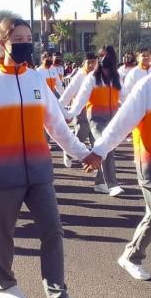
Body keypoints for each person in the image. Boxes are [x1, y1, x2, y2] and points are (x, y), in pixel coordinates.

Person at [0, 18, 94, 298]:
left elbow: (57, 126)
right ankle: (7, 285)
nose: (26, 45)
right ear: (3, 44)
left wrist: (82, 153)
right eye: (19, 40)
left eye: (29, 39)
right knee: (0, 235)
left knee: (53, 231)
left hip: (39, 173)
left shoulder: (36, 78)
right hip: (3, 174)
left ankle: (56, 288)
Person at [85, 74, 151, 280]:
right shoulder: (146, 87)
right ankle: (132, 257)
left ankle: (132, 256)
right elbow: (122, 122)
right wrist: (100, 151)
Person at [64, 46, 125, 197]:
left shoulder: (116, 78)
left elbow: (128, 99)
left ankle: (100, 183)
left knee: (101, 149)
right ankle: (112, 184)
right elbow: (80, 99)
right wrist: (69, 113)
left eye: (108, 55)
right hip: (96, 118)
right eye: (102, 55)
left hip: (113, 120)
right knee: (106, 147)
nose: (105, 58)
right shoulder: (92, 78)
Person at [59, 52, 97, 168]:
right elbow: (68, 94)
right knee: (81, 133)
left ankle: (97, 166)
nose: (91, 65)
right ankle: (68, 153)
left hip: (96, 111)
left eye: (93, 62)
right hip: (81, 110)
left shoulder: (99, 75)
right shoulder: (79, 76)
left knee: (96, 138)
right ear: (83, 63)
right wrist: (60, 110)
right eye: (88, 62)